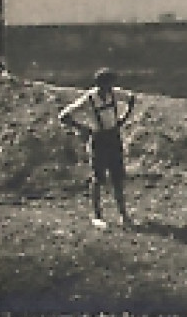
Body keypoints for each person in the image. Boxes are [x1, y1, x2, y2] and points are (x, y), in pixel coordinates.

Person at [58, 67, 136, 228]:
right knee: (98, 178)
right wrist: (83, 128)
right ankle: (97, 215)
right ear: (100, 84)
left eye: (111, 85)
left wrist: (123, 119)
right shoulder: (89, 99)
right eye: (107, 85)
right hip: (99, 140)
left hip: (114, 138)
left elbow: (131, 98)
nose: (110, 88)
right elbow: (64, 116)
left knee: (117, 177)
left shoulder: (114, 93)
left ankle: (123, 215)